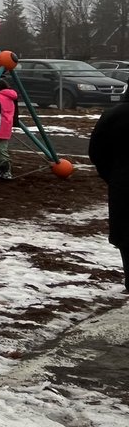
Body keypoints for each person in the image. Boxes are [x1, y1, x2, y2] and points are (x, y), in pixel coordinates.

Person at [87, 103, 129, 292]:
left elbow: (96, 151)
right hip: (121, 182)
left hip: (124, 186)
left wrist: (113, 176)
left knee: (126, 237)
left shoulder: (113, 115)